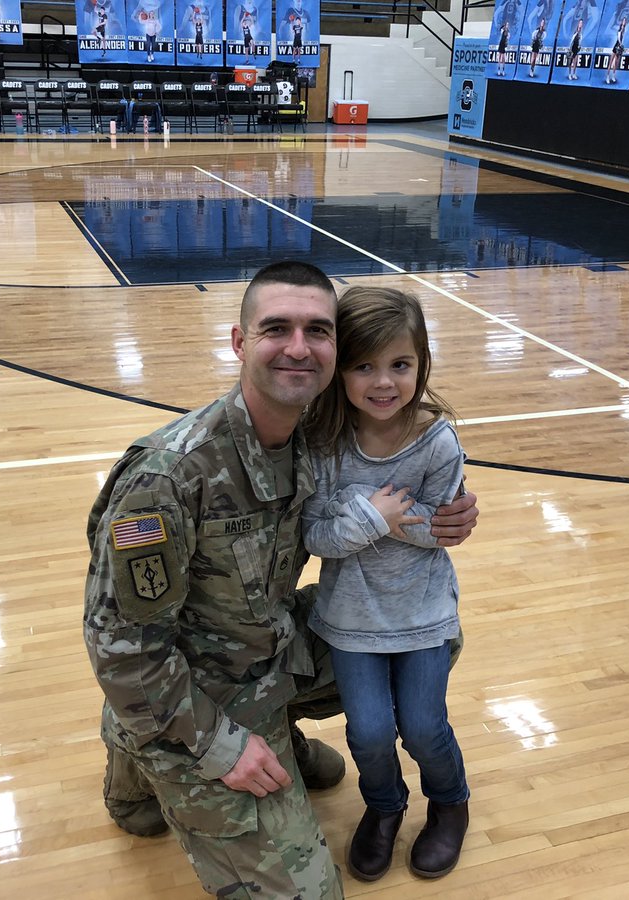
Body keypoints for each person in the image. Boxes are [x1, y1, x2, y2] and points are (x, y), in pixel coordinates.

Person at [84, 261, 479, 898]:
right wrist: (221, 748)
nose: (298, 347)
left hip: (268, 647)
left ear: (334, 352)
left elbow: (404, 431)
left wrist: (450, 514)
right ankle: (138, 741)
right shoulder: (167, 479)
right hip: (196, 688)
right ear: (240, 342)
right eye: (276, 328)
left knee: (420, 639)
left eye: (317, 331)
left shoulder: (319, 437)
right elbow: (123, 649)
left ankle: (274, 729)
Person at [301, 286, 471, 882]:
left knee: (424, 726)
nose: (384, 382)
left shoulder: (437, 441)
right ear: (340, 370)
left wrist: (378, 517)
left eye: (400, 364)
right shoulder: (323, 444)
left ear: (422, 364)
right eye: (364, 365)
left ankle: (449, 802)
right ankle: (384, 807)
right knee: (369, 732)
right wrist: (379, 515)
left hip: (422, 613)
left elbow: (443, 528)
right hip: (350, 618)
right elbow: (315, 535)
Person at [606, 17, 628, 83]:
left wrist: (621, 46)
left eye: (625, 21)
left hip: (620, 47)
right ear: (621, 22)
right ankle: (607, 76)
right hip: (616, 46)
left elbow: (622, 38)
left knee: (616, 63)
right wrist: (621, 44)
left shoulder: (624, 30)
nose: (624, 22)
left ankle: (613, 75)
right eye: (623, 21)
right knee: (611, 61)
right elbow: (618, 38)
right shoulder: (620, 30)